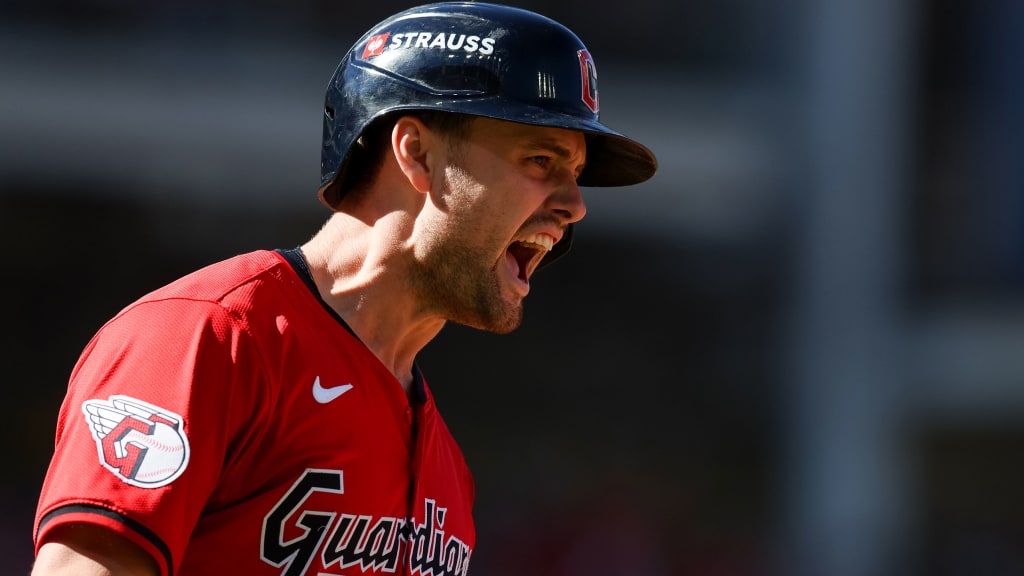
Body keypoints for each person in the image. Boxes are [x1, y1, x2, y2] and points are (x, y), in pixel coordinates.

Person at [31, 2, 657, 575]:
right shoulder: (209, 337)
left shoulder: (448, 470)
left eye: (576, 175)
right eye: (541, 160)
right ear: (417, 154)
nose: (575, 205)